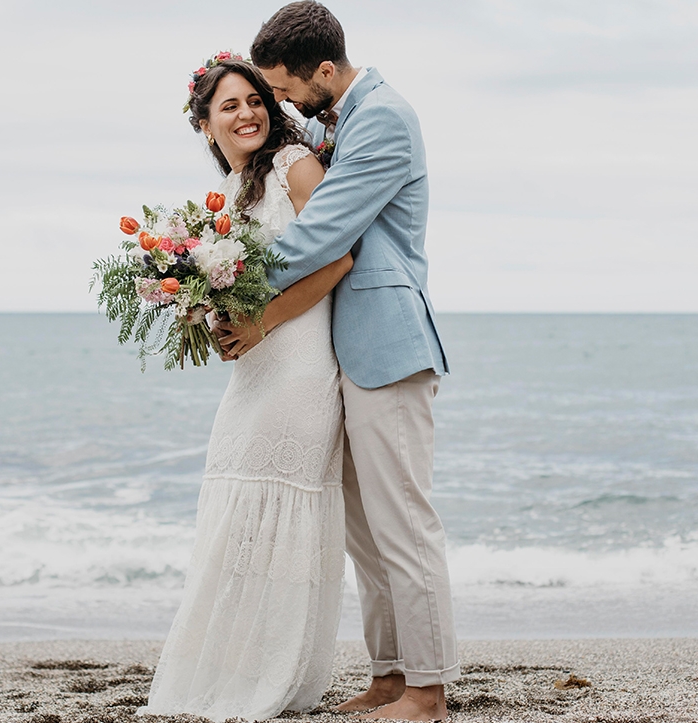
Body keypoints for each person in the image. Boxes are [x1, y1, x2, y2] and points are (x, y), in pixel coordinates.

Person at [218, 2, 459, 720]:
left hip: (388, 345)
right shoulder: (341, 118)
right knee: (364, 530)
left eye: (286, 89)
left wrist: (231, 276)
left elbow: (323, 230)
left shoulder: (383, 117)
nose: (283, 102)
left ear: (325, 70)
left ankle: (428, 689)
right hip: (344, 353)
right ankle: (391, 674)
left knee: (403, 525)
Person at [137, 54, 355, 722]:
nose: (247, 113)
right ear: (206, 126)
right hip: (255, 370)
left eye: (254, 99)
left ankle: (273, 678)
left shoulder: (296, 167)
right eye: (229, 106)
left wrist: (263, 322)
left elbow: (341, 255)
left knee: (278, 513)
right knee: (233, 514)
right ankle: (234, 668)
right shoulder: (227, 196)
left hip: (299, 363)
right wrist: (204, 312)